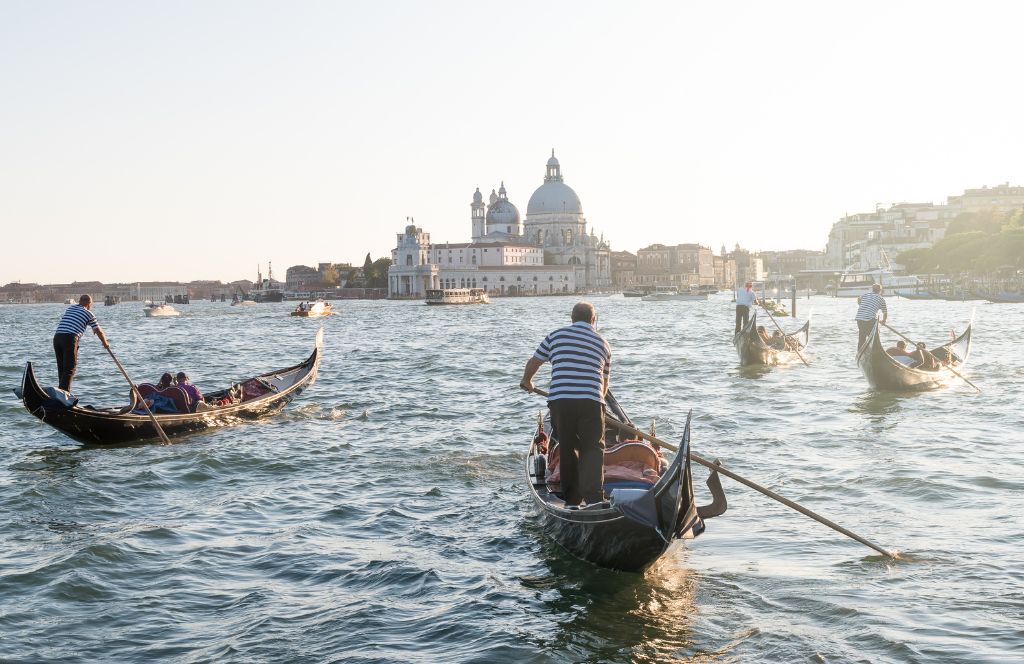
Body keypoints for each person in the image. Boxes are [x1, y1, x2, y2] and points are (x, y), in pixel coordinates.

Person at [520, 301, 612, 508]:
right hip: (592, 401)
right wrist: (600, 403)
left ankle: (572, 500)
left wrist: (527, 381)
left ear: (572, 318)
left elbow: (534, 361)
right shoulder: (603, 343)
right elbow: (605, 383)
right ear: (593, 320)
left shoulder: (555, 336)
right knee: (594, 448)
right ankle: (595, 498)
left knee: (568, 447)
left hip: (561, 400)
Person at [52, 294, 110, 392]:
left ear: (79, 301)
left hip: (57, 337)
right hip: (70, 338)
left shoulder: (70, 309)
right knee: (70, 367)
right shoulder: (88, 313)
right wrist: (105, 343)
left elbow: (75, 320)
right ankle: (64, 393)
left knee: (62, 367)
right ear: (89, 303)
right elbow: (98, 330)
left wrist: (92, 327)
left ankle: (61, 391)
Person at [855, 283, 888, 352]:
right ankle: (874, 351)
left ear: (872, 289)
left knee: (862, 338)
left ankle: (860, 352)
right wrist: (883, 321)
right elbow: (885, 312)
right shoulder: (881, 299)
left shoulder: (865, 295)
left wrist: (860, 304)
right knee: (875, 338)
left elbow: (858, 299)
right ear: (880, 290)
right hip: (869, 319)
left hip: (859, 318)